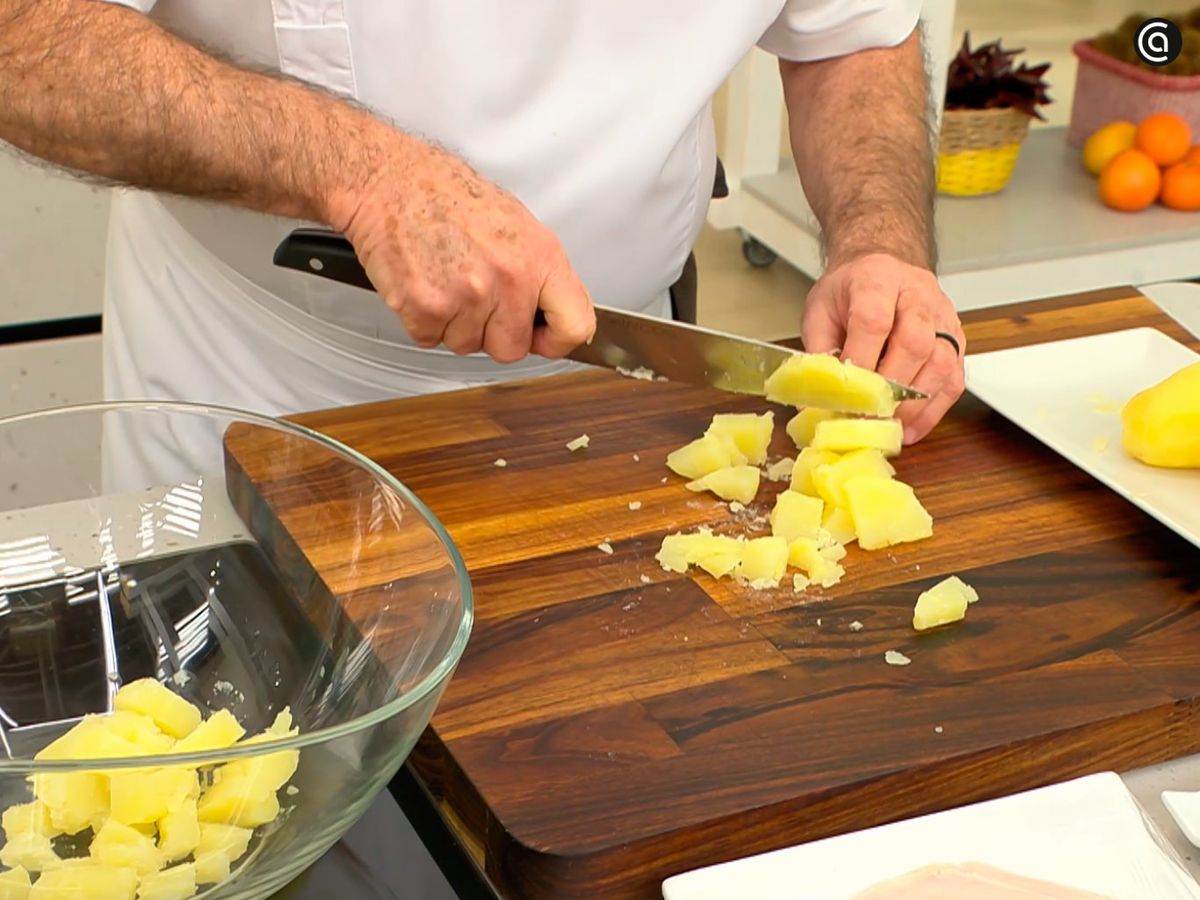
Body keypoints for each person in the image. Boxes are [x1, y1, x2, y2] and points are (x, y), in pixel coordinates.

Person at [0, 0, 964, 448]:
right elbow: (27, 36)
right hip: (267, 382)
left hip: (618, 378)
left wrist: (880, 243)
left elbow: (850, 35)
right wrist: (366, 177)